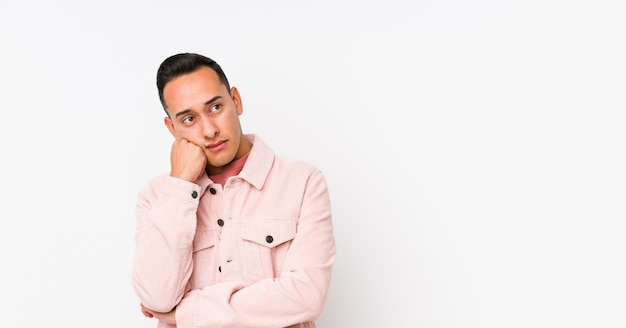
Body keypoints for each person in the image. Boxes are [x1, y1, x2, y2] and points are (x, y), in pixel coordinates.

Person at [131, 52, 336, 328]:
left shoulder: (303, 182)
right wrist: (180, 185)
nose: (209, 130)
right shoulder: (157, 196)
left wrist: (187, 313)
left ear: (235, 101)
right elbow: (157, 298)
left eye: (215, 107)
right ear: (172, 128)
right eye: (189, 119)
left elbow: (306, 296)